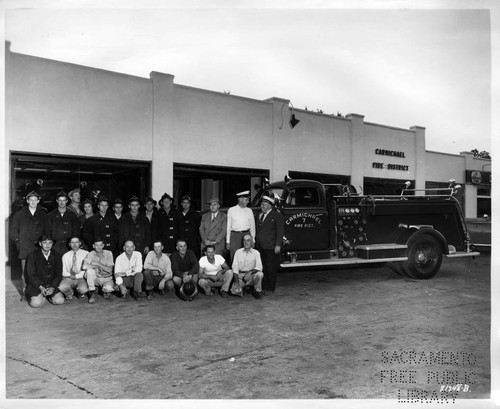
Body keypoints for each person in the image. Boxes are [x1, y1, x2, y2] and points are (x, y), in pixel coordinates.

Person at [10, 190, 49, 300]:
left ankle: (40, 291)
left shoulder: (43, 214)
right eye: (30, 200)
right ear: (27, 201)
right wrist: (18, 242)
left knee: (39, 271)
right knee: (25, 272)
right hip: (25, 247)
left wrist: (45, 244)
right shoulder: (19, 214)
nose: (33, 202)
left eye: (35, 200)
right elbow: (13, 230)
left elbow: (47, 230)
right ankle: (24, 293)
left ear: (38, 201)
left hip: (39, 248)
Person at [24, 234, 65, 308]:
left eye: (50, 242)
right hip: (37, 285)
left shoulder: (57, 255)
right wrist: (41, 287)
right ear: (40, 243)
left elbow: (58, 274)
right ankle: (36, 295)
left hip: (51, 284)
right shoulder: (32, 256)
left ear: (52, 244)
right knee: (35, 304)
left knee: (60, 301)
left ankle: (48, 296)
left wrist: (52, 287)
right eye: (45, 242)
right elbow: (31, 275)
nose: (47, 245)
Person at [255, 195, 284, 294]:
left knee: (270, 267)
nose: (262, 205)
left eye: (265, 203)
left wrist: (278, 245)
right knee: (262, 266)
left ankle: (270, 288)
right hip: (260, 246)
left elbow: (280, 231)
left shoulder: (276, 215)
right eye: (262, 203)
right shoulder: (259, 215)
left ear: (270, 205)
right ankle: (263, 286)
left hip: (271, 246)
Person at [82, 237, 115, 302]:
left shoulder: (108, 253)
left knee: (108, 288)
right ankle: (92, 292)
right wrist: (94, 267)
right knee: (89, 271)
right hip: (96, 278)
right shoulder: (90, 254)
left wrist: (98, 264)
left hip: (106, 278)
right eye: (96, 245)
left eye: (100, 245)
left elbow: (109, 270)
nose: (99, 247)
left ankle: (103, 290)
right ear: (93, 246)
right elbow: (84, 266)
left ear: (103, 245)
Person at [231, 234, 264, 299]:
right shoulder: (238, 252)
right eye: (244, 240)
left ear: (252, 242)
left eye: (248, 240)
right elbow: (235, 267)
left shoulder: (256, 253)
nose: (246, 242)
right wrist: (236, 282)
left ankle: (257, 291)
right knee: (234, 291)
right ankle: (244, 289)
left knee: (260, 274)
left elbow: (259, 267)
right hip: (240, 276)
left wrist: (250, 272)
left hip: (251, 276)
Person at [48, 191, 80, 255]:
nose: (62, 203)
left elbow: (76, 231)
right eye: (60, 200)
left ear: (67, 201)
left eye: (63, 200)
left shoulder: (72, 215)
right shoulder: (51, 215)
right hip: (56, 247)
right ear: (57, 201)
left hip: (69, 247)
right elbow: (48, 231)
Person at [226, 190, 255, 261]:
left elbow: (252, 227)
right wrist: (228, 241)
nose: (248, 201)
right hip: (235, 236)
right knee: (235, 257)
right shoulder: (231, 210)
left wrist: (253, 240)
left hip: (246, 235)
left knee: (247, 257)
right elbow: (228, 227)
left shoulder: (249, 211)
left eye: (248, 200)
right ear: (240, 199)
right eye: (246, 200)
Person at [58, 235, 90, 301]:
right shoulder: (65, 255)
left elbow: (87, 269)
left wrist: (77, 276)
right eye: (72, 242)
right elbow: (63, 271)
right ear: (69, 244)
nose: (75, 245)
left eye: (76, 242)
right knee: (62, 287)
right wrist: (70, 276)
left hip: (81, 278)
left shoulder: (86, 253)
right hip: (69, 277)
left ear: (80, 243)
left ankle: (80, 293)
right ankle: (70, 293)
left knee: (83, 289)